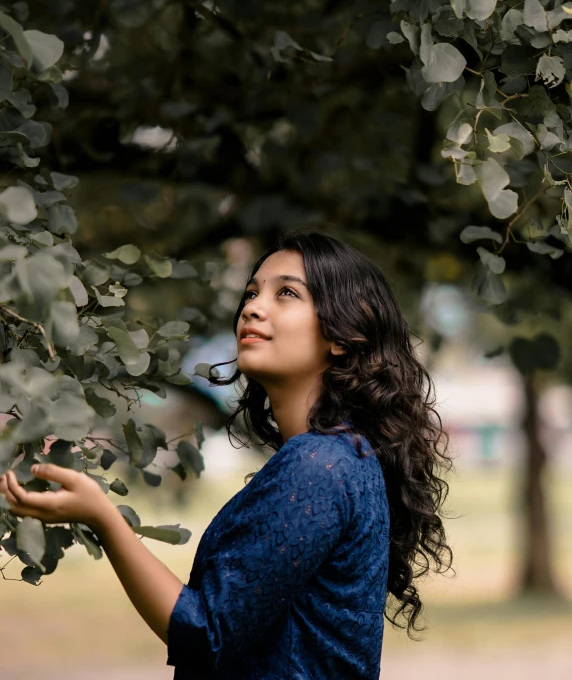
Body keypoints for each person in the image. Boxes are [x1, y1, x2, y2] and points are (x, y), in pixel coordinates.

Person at [0, 228, 454, 679]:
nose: (253, 307)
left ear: (342, 334)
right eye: (252, 292)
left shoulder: (319, 465)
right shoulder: (344, 455)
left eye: (287, 294)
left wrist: (103, 517)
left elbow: (203, 634)